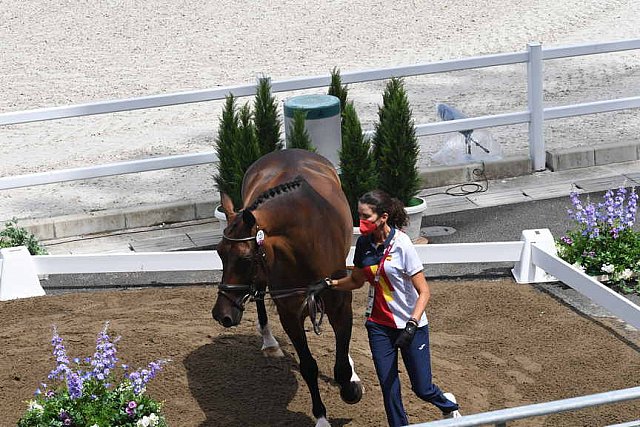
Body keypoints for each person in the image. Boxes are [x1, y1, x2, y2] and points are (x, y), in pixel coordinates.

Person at [324, 189, 461, 426]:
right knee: (388, 385)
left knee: (422, 388)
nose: (361, 222)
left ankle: (449, 406)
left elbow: (424, 291)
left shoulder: (402, 244)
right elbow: (356, 281)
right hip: (378, 326)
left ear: (383, 217)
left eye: (366, 217)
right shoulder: (364, 245)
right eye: (359, 216)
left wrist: (411, 324)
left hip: (410, 325)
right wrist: (330, 284)